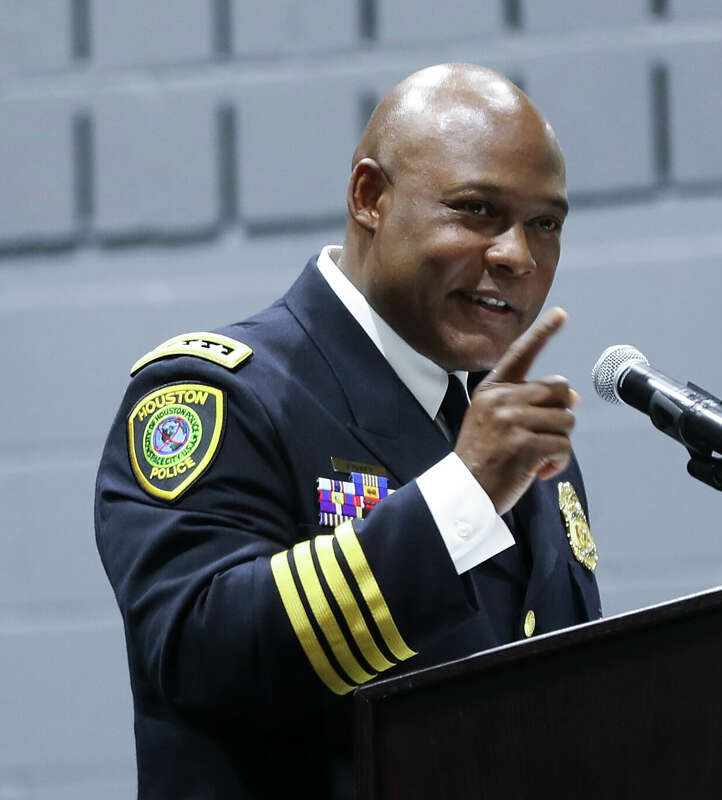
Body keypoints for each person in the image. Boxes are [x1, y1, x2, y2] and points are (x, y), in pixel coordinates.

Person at [94, 63, 600, 800]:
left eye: (545, 223)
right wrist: (459, 495)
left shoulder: (505, 429)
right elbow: (198, 650)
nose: (517, 256)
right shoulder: (218, 394)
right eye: (476, 210)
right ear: (370, 198)